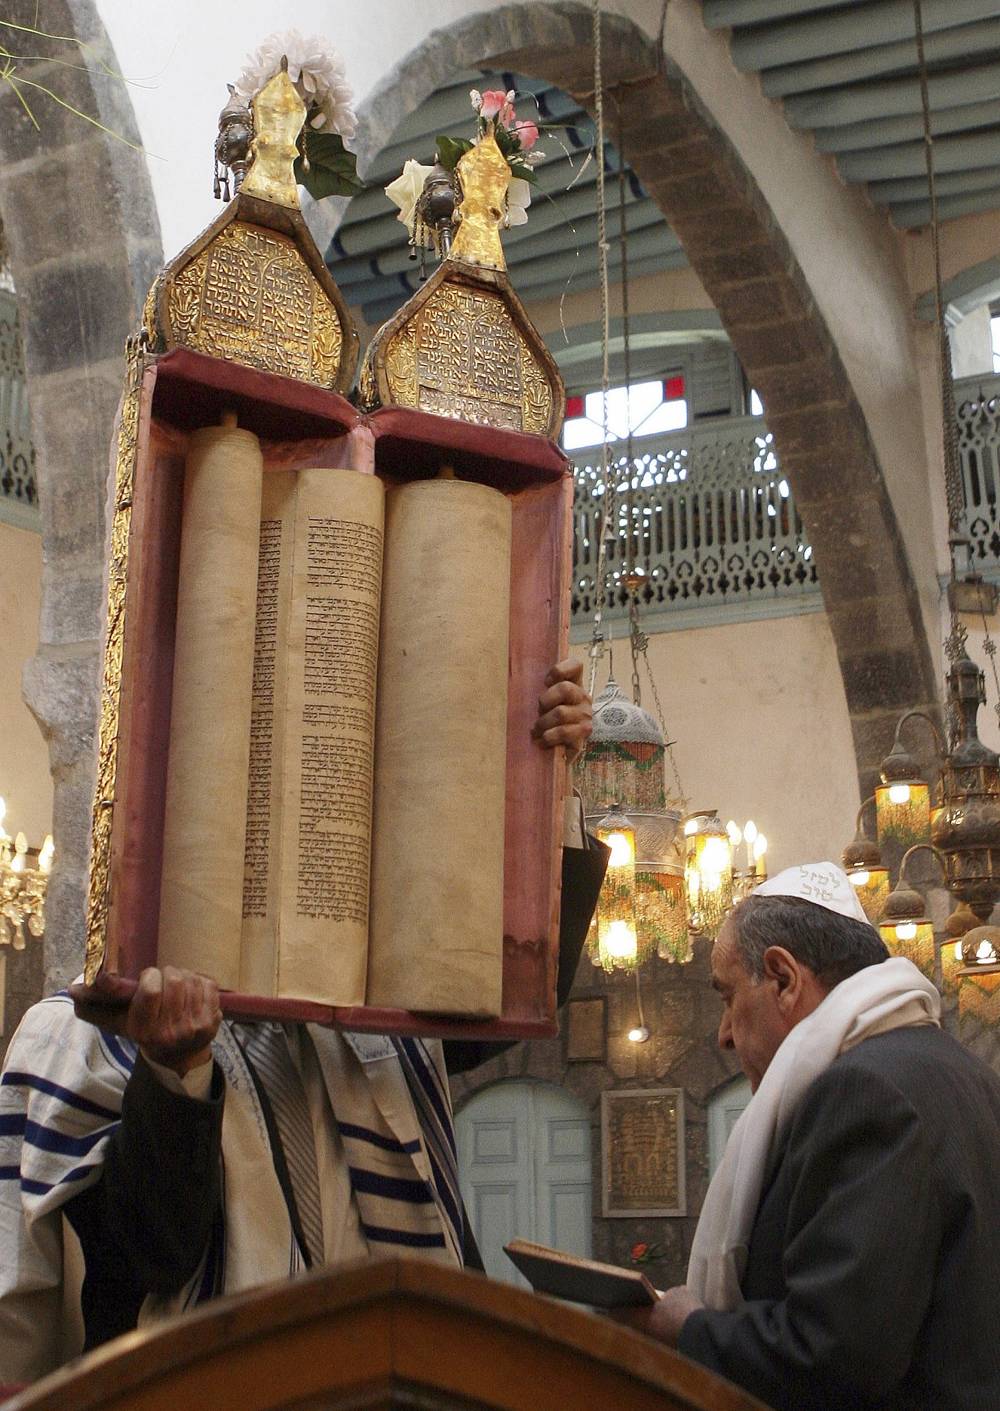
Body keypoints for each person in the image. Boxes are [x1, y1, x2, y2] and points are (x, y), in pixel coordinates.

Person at [0, 659, 606, 1384]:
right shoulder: (78, 1033)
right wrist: (173, 1074)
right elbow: (146, 1259)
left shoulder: (367, 1019)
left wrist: (549, 778)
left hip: (391, 1383)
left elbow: (511, 996)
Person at [629, 861, 1000, 1410]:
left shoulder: (864, 1090)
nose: (725, 1034)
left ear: (783, 979)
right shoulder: (966, 1072)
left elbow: (835, 1355)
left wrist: (689, 1327)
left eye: (728, 997)